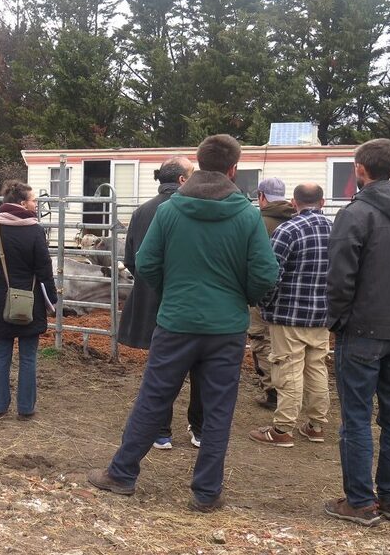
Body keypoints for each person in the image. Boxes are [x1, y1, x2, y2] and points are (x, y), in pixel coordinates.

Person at [86, 134, 278, 512]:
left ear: (198, 163)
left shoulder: (170, 211)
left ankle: (122, 474)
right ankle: (206, 492)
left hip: (175, 322)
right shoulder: (246, 215)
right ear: (233, 168)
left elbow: (146, 263)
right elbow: (265, 273)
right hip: (225, 328)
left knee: (153, 398)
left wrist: (173, 292)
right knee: (219, 408)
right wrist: (242, 297)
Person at [324, 139, 390, 526]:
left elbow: (339, 278)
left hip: (363, 329)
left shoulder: (356, 215)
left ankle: (360, 501)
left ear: (360, 170)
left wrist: (338, 320)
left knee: (356, 415)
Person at [117, 156, 202, 450]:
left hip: (151, 300)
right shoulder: (192, 210)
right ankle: (199, 429)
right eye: (191, 174)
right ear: (181, 180)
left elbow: (131, 259)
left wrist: (150, 281)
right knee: (199, 366)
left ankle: (162, 432)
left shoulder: (141, 212)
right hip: (188, 300)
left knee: (161, 367)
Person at [249, 183, 332, 447]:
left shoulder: (288, 229)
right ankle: (316, 425)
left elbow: (272, 274)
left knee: (288, 368)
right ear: (323, 201)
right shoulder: (336, 230)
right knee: (317, 367)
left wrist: (265, 304)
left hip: (289, 314)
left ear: (294, 203)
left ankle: (283, 429)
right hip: (322, 315)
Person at [0, 181, 57, 420]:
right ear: (22, 203)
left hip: (1, 300)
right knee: (28, 357)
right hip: (30, 301)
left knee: (2, 355)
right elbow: (44, 269)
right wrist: (50, 300)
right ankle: (25, 408)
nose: (35, 204)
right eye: (33, 200)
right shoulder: (34, 230)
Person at [249, 178, 296, 410]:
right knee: (289, 345)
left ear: (261, 196)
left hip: (263, 292)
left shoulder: (257, 222)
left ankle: (272, 392)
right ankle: (292, 390)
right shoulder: (297, 219)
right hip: (294, 297)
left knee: (261, 340)